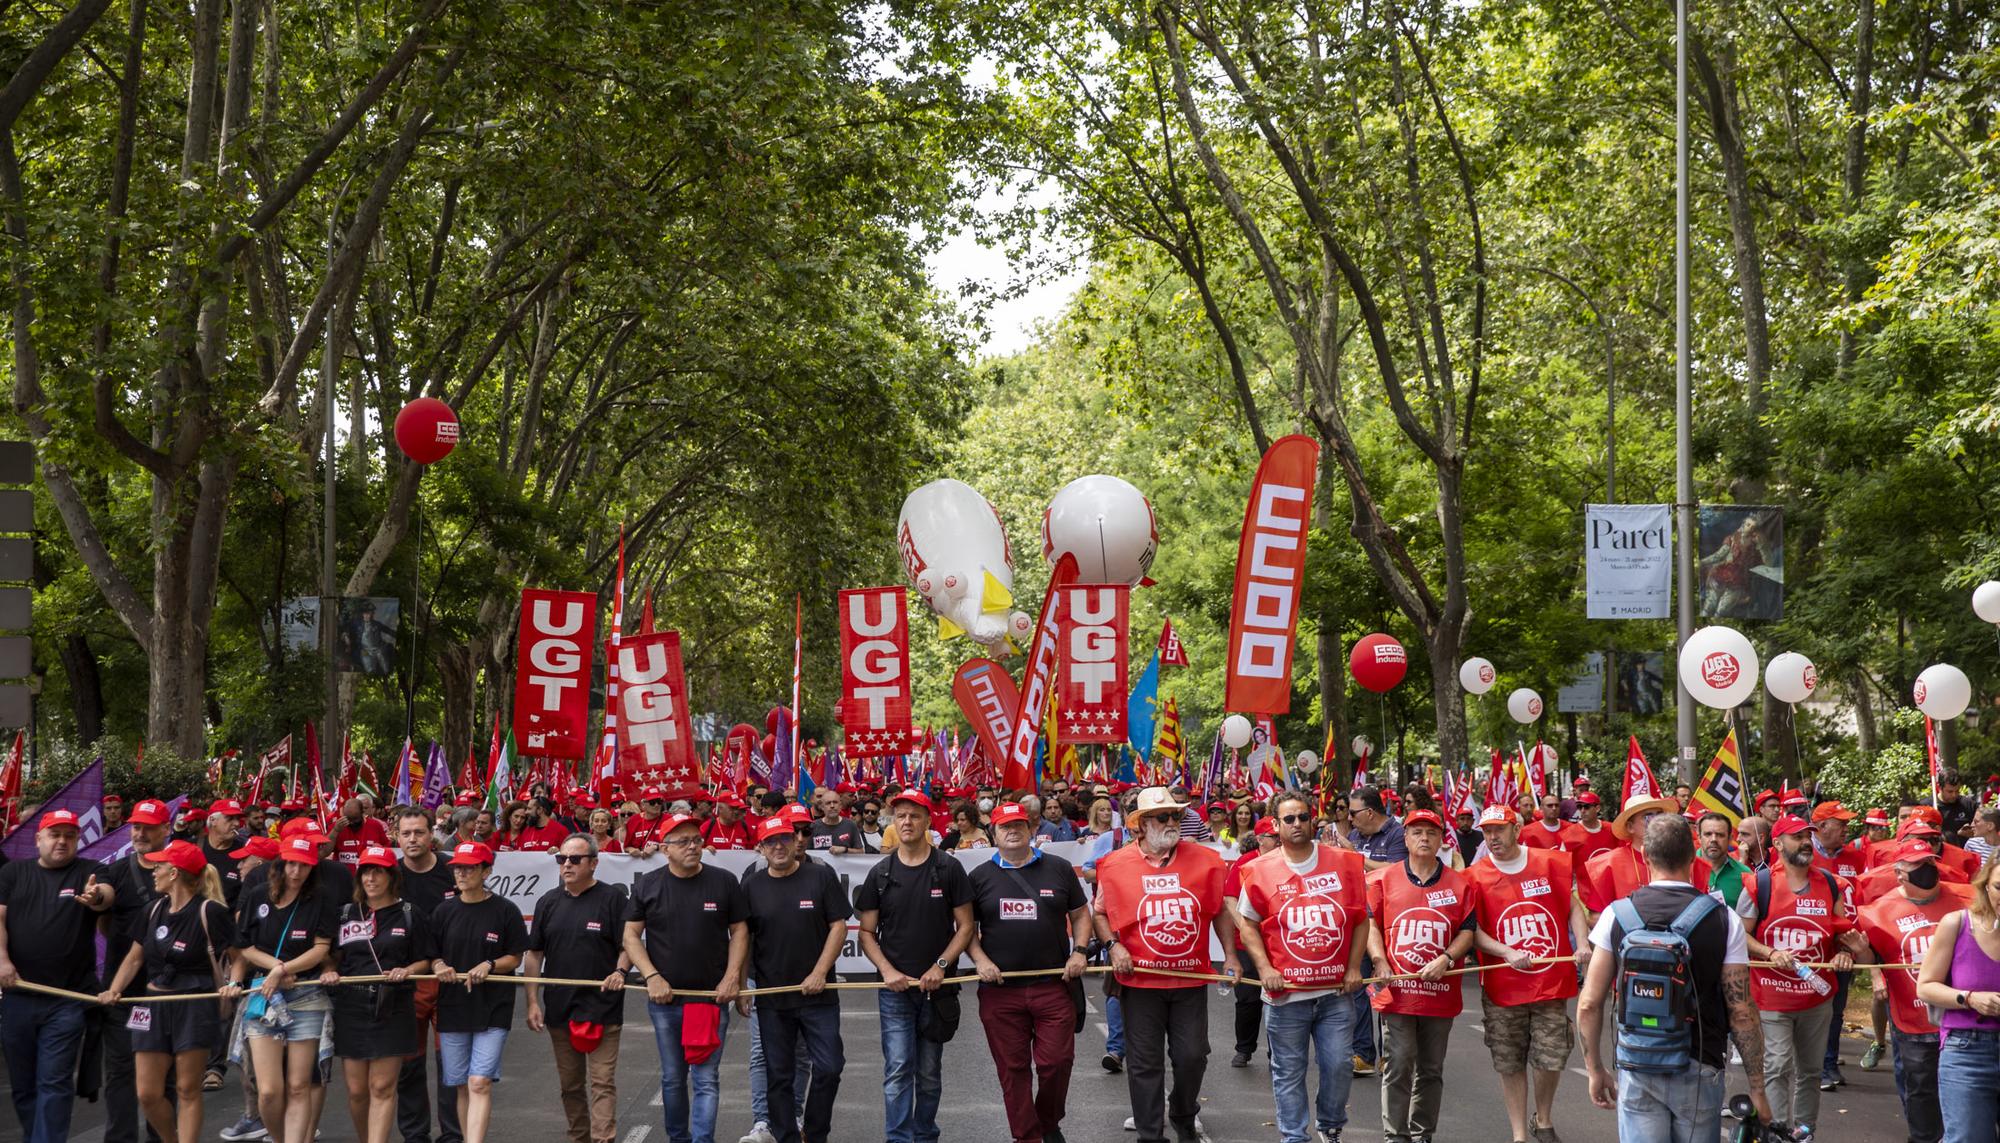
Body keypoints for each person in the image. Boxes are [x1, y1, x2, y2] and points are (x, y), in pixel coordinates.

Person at [1578, 815, 1772, 1140]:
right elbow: (1741, 1011)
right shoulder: (1724, 919)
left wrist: (1595, 1069)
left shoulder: (1616, 914)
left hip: (1637, 1061)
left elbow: (1588, 1003)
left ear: (1645, 856)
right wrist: (1757, 1089)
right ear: (1692, 856)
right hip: (1700, 1063)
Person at [1092, 787, 1238, 1143]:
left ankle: (1183, 1111)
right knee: (1144, 1063)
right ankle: (1149, 1134)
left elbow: (1218, 909)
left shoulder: (1206, 859)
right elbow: (1099, 914)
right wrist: (1113, 947)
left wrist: (1231, 955)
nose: (1173, 822)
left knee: (1192, 1056)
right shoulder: (1113, 865)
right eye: (1163, 817)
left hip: (1189, 980)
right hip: (1139, 982)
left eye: (1177, 816)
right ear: (1140, 824)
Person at [1234, 790, 1370, 1143]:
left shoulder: (1344, 862)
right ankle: (1294, 1136)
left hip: (1335, 995)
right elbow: (1246, 924)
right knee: (1288, 1072)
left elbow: (1359, 920)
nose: (1297, 824)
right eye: (1288, 819)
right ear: (1276, 825)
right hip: (1285, 999)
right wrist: (1264, 969)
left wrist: (1355, 967)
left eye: (1303, 817)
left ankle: (1329, 1125)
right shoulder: (1259, 870)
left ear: (1313, 820)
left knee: (1339, 1065)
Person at [98, 838, 239, 1143]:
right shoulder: (151, 910)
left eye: (160, 865)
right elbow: (134, 957)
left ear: (174, 872)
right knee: (147, 1093)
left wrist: (233, 984)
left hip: (194, 1004)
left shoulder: (210, 911)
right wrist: (113, 990)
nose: (153, 870)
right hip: (153, 1004)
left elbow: (238, 956)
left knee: (188, 1089)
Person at [967, 801, 1092, 1143]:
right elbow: (964, 929)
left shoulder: (1060, 868)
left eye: (1019, 825)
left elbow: (1081, 914)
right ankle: (1028, 1137)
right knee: (1014, 1070)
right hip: (1000, 992)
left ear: (1031, 829)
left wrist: (1079, 951)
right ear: (993, 832)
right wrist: (980, 960)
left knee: (1057, 1063)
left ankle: (1048, 1122)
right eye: (1005, 826)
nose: (1012, 831)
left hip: (1053, 987)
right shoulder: (978, 877)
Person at [855, 789, 975, 1143]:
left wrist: (940, 966)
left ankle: (925, 1136)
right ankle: (898, 1139)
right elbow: (865, 932)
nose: (906, 822)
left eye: (914, 816)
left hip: (936, 991)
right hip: (894, 992)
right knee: (897, 1070)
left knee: (928, 1073)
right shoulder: (880, 873)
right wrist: (888, 972)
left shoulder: (948, 868)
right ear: (893, 821)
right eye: (901, 816)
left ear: (927, 821)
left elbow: (966, 926)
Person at [1466, 804, 1588, 1143]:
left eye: (1499, 830)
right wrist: (1506, 951)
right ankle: (1519, 1133)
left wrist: (1583, 943)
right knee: (1509, 1060)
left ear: (1516, 829)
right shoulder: (1475, 876)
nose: (1492, 838)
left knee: (1551, 1055)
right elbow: (1471, 931)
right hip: (1503, 986)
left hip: (1550, 981)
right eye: (1487, 832)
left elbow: (1571, 905)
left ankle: (1543, 1118)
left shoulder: (1548, 862)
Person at [625, 812, 747, 1143]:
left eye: (697, 840)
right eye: (683, 841)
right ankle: (678, 1138)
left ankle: (702, 1140)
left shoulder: (724, 881)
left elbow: (739, 930)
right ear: (665, 848)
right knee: (673, 1078)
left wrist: (732, 977)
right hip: (666, 1001)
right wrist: (651, 976)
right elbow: (631, 935)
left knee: (706, 1079)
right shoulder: (648, 884)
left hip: (711, 999)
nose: (693, 846)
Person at [0, 808, 115, 1143]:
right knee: (23, 1085)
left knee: (54, 1082)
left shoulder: (91, 872)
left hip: (67, 1000)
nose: (62, 841)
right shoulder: (12, 874)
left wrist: (97, 898)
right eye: (55, 834)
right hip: (18, 995)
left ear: (78, 839)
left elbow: (106, 896)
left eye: (69, 835)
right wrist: (2, 960)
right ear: (39, 839)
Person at [1745, 814, 1862, 1139]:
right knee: (1779, 1064)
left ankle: (1805, 1132)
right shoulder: (1760, 884)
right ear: (1778, 844)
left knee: (1810, 1071)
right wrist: (1769, 953)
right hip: (1772, 996)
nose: (1807, 842)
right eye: (1797, 836)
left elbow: (1843, 933)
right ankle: (1778, 1131)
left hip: (1816, 997)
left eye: (1808, 835)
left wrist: (1845, 952)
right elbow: (1741, 935)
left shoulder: (1830, 883)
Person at [1851, 838, 1972, 1143]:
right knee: (1920, 1090)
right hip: (1913, 1022)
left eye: (1930, 862)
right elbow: (1870, 961)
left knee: (1966, 1088)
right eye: (1918, 864)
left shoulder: (1967, 899)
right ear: (1900, 872)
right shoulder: (1877, 912)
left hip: (1965, 1019)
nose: (1928, 869)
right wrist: (1864, 956)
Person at [1367, 809, 1477, 1143]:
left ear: (1442, 837)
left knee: (1431, 1069)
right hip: (1398, 992)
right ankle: (1395, 1135)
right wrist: (1379, 960)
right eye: (1417, 832)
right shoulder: (1382, 879)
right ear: (1406, 837)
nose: (1424, 838)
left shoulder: (1460, 884)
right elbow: (1371, 924)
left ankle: (1423, 1132)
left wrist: (1447, 958)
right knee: (1399, 1063)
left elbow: (1468, 932)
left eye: (1431, 832)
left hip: (1440, 994)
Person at [741, 815, 850, 1143]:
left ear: (795, 842)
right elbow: (743, 937)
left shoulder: (820, 876)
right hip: (772, 996)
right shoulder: (751, 886)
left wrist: (819, 972)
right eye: (770, 842)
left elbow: (839, 926)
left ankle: (815, 1134)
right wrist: (742, 985)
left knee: (830, 1067)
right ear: (760, 848)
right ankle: (786, 1136)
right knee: (779, 1076)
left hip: (819, 997)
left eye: (785, 839)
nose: (779, 846)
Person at [231, 834, 338, 1143]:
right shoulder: (258, 894)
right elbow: (244, 946)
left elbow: (321, 949)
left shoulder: (322, 899)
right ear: (281, 863)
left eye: (303, 865)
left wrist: (282, 970)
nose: (296, 872)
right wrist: (275, 969)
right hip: (264, 995)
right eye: (291, 863)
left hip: (307, 995)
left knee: (298, 1085)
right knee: (268, 1091)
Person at [324, 845, 434, 1143]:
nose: (370, 878)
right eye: (365, 872)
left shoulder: (410, 914)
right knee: (358, 1091)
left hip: (393, 1004)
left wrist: (408, 970)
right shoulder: (345, 914)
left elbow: (425, 958)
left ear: (391, 876)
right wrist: (329, 969)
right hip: (351, 1005)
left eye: (377, 872)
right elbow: (329, 954)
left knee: (382, 1087)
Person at [525, 835, 631, 1143]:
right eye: (562, 859)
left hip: (603, 1007)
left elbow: (628, 944)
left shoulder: (613, 899)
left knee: (601, 1082)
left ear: (594, 863)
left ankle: (603, 1139)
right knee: (571, 1085)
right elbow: (534, 954)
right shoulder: (547, 902)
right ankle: (580, 1138)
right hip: (560, 1008)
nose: (567, 865)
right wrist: (532, 1001)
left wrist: (620, 970)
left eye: (575, 859)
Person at [430, 842, 528, 1143]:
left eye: (470, 867)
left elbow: (516, 957)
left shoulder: (505, 910)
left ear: (487, 871)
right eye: (458, 867)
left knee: (479, 1082)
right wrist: (439, 965)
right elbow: (432, 955)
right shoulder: (443, 911)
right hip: (452, 1006)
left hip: (492, 1007)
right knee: (461, 1084)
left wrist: (490, 964)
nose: (461, 873)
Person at [1914, 849, 2000, 1143]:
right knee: (1968, 1137)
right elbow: (1925, 986)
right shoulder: (1956, 923)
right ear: (1985, 885)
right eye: (1999, 887)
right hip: (1967, 1050)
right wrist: (1970, 998)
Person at [395, 806, 463, 1143]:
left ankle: (453, 1134)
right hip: (407, 982)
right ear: (397, 836)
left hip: (450, 980)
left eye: (419, 832)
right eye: (406, 833)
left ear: (431, 835)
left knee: (451, 1063)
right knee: (409, 1065)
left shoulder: (454, 871)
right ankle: (415, 1135)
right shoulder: (388, 875)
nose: (412, 839)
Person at [1577, 792, 1711, 926]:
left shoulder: (1686, 859)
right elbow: (1595, 918)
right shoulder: (1609, 865)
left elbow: (1705, 911)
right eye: (1648, 816)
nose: (1656, 821)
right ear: (1630, 827)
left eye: (1659, 815)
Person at [1224, 816, 1280, 1067]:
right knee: (1248, 998)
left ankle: (1276, 1052)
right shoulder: (1245, 863)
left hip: (1278, 942)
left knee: (1279, 997)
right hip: (1245, 941)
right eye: (1274, 837)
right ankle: (1244, 1048)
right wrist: (1246, 930)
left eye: (1280, 836)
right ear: (1260, 839)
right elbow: (1229, 899)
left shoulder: (1287, 861)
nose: (1279, 841)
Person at [1697, 812, 1756, 912]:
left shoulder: (1746, 875)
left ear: (1730, 839)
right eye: (1708, 834)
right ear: (1699, 838)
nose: (1714, 839)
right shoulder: (1682, 870)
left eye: (1720, 835)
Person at [329, 797, 392, 869]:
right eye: (348, 819)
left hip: (368, 874)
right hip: (343, 876)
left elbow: (387, 847)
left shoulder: (375, 825)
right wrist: (335, 831)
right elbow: (326, 850)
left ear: (362, 812)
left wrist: (380, 849)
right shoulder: (337, 826)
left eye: (355, 819)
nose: (352, 822)